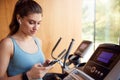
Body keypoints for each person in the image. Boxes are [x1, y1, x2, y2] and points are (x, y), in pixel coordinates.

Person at [0, 0, 53, 80]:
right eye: (31, 22)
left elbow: (33, 69)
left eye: (38, 23)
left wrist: (44, 66)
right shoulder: (8, 44)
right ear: (19, 19)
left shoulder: (38, 41)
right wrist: (28, 76)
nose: (36, 28)